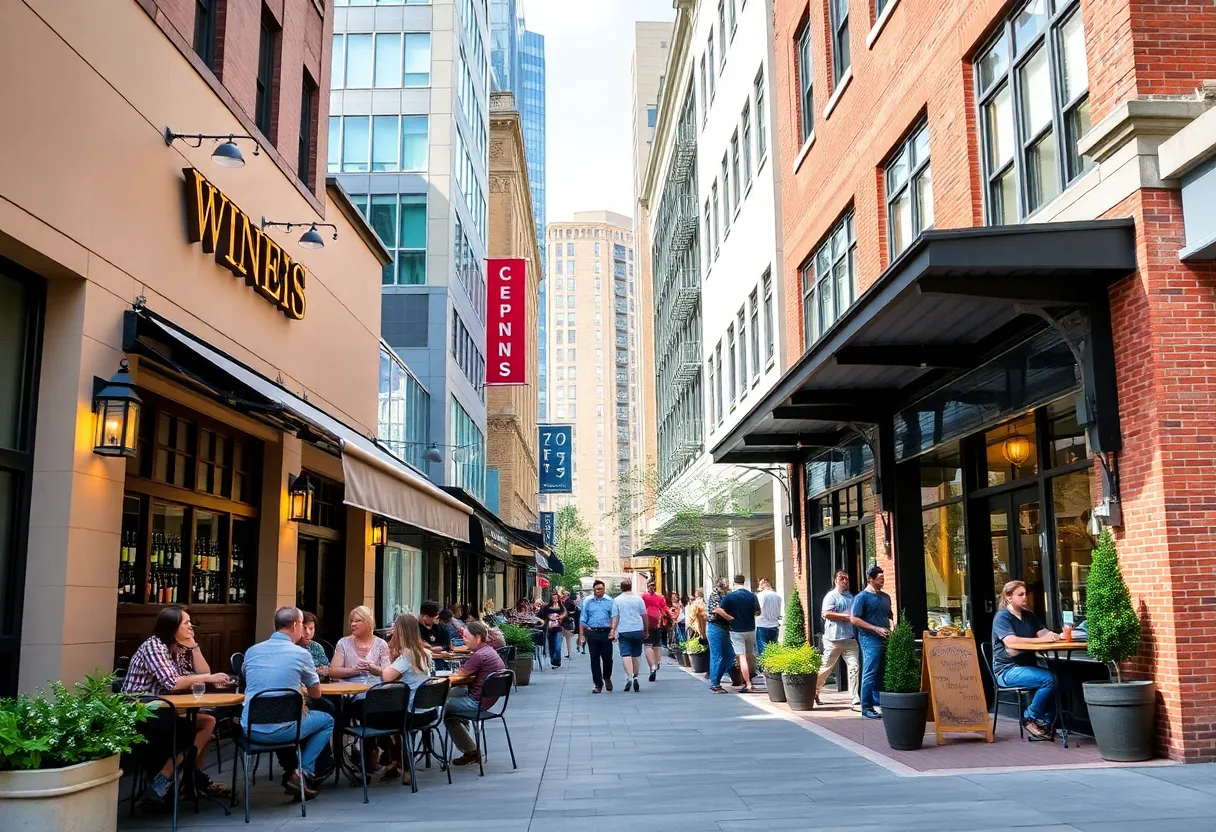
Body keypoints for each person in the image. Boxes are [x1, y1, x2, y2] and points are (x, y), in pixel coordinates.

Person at [123, 607, 231, 808]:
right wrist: (208, 678)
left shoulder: (176, 647)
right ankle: (176, 777)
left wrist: (194, 646)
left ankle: (176, 777)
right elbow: (173, 682)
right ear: (172, 628)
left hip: (165, 708)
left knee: (208, 722)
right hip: (143, 713)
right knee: (197, 728)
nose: (191, 626)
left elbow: (198, 673)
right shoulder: (154, 647)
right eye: (186, 623)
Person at [242, 606, 335, 800]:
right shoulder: (301, 654)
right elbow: (316, 693)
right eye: (302, 625)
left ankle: (295, 770)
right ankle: (303, 771)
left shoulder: (252, 651)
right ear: (295, 625)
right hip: (286, 727)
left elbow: (251, 679)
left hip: (251, 729)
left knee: (302, 716)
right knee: (327, 718)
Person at [992, 580, 1061, 740]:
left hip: (1027, 666)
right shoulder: (1002, 617)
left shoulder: (1029, 615)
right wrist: (1041, 641)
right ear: (1009, 597)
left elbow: (1042, 632)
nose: (1025, 598)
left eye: (1026, 594)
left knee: (1061, 679)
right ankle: (1029, 717)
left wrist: (1054, 635)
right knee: (1050, 679)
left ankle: (1046, 724)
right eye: (1020, 594)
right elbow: (1011, 642)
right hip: (1007, 670)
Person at [328, 606, 391, 770]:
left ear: (368, 623)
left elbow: (387, 672)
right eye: (351, 621)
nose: (353, 624)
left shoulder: (381, 644)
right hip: (350, 696)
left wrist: (373, 669)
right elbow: (333, 670)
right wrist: (355, 670)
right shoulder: (343, 643)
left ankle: (372, 753)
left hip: (375, 694)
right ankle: (377, 752)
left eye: (358, 621)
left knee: (379, 710)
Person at [380, 613, 435, 784]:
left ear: (401, 631)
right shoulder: (425, 653)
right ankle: (396, 762)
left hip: (412, 714)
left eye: (395, 627)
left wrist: (384, 661)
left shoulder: (407, 656)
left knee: (375, 720)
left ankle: (399, 763)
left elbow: (386, 676)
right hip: (429, 711)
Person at [442, 621, 507, 767]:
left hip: (476, 703)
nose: (463, 639)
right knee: (453, 698)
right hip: (486, 700)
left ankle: (470, 751)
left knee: (442, 708)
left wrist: (436, 679)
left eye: (466, 636)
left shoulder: (480, 655)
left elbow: (457, 677)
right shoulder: (489, 651)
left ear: (477, 637)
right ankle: (469, 748)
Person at [850, 566, 893, 720]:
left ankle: (878, 702)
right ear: (871, 578)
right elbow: (854, 619)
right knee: (870, 670)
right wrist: (875, 629)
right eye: (880, 577)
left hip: (885, 637)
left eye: (883, 577)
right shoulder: (861, 597)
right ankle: (866, 707)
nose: (883, 579)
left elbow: (889, 616)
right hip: (869, 638)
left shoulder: (886, 597)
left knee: (882, 670)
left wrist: (892, 627)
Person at [815, 571, 861, 708]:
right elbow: (826, 613)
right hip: (834, 639)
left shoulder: (850, 597)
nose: (845, 581)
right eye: (842, 579)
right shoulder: (831, 596)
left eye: (847, 579)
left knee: (854, 667)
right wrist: (846, 617)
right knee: (826, 669)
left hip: (850, 639)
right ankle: (814, 690)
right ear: (835, 580)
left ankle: (855, 697)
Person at [718, 575, 762, 693]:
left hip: (736, 629)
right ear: (744, 582)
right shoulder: (752, 596)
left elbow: (720, 610)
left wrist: (730, 618)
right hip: (751, 629)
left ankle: (747, 683)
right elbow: (758, 612)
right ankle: (751, 677)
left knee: (741, 657)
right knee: (750, 654)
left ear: (734, 583)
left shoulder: (730, 597)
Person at [609, 579, 649, 692]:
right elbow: (644, 615)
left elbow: (615, 617)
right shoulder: (638, 599)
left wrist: (613, 630)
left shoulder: (617, 600)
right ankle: (636, 676)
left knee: (626, 655)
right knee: (636, 655)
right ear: (631, 587)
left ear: (621, 588)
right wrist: (646, 630)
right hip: (637, 629)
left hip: (624, 630)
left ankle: (629, 676)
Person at [578, 580, 615, 693]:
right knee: (594, 659)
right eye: (597, 589)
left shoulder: (610, 601)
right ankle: (598, 684)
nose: (599, 591)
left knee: (607, 658)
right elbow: (582, 619)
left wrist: (613, 631)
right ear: (593, 589)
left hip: (605, 632)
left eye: (601, 589)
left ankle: (607, 677)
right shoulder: (587, 602)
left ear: (604, 589)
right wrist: (581, 636)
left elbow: (614, 617)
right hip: (592, 632)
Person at [705, 578, 736, 694]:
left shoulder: (725, 595)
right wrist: (731, 618)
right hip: (715, 627)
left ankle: (716, 678)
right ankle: (714, 684)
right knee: (716, 656)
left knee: (729, 655)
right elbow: (717, 610)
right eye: (727, 587)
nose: (728, 589)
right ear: (722, 586)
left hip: (724, 629)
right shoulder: (715, 594)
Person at [641, 580, 670, 683]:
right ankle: (656, 664)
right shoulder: (660, 597)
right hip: (657, 622)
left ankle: (652, 667)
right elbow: (665, 608)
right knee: (657, 645)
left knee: (648, 646)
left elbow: (640, 609)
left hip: (647, 623)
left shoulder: (643, 596)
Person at [755, 579, 783, 657]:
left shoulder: (760, 595)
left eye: (760, 584)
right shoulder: (777, 595)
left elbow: (757, 609)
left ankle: (763, 668)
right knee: (773, 649)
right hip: (774, 624)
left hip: (762, 624)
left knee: (763, 649)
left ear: (763, 584)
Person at [300, 611, 330, 676]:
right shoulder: (290, 646)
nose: (308, 632)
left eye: (311, 629)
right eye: (304, 628)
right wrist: (315, 670)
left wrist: (325, 671)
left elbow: (326, 667)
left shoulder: (317, 647)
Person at [543, 594, 567, 668]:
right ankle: (552, 660)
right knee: (551, 645)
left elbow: (565, 613)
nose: (554, 599)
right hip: (550, 628)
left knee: (557, 646)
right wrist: (549, 617)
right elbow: (544, 614)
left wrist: (559, 617)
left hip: (558, 628)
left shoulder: (561, 606)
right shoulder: (547, 606)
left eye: (556, 598)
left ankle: (557, 661)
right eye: (553, 598)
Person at [561, 589, 580, 658]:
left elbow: (572, 613)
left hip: (567, 622)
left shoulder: (568, 602)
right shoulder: (567, 602)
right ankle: (568, 652)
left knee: (567, 639)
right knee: (567, 639)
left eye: (563, 594)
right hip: (567, 622)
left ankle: (569, 653)